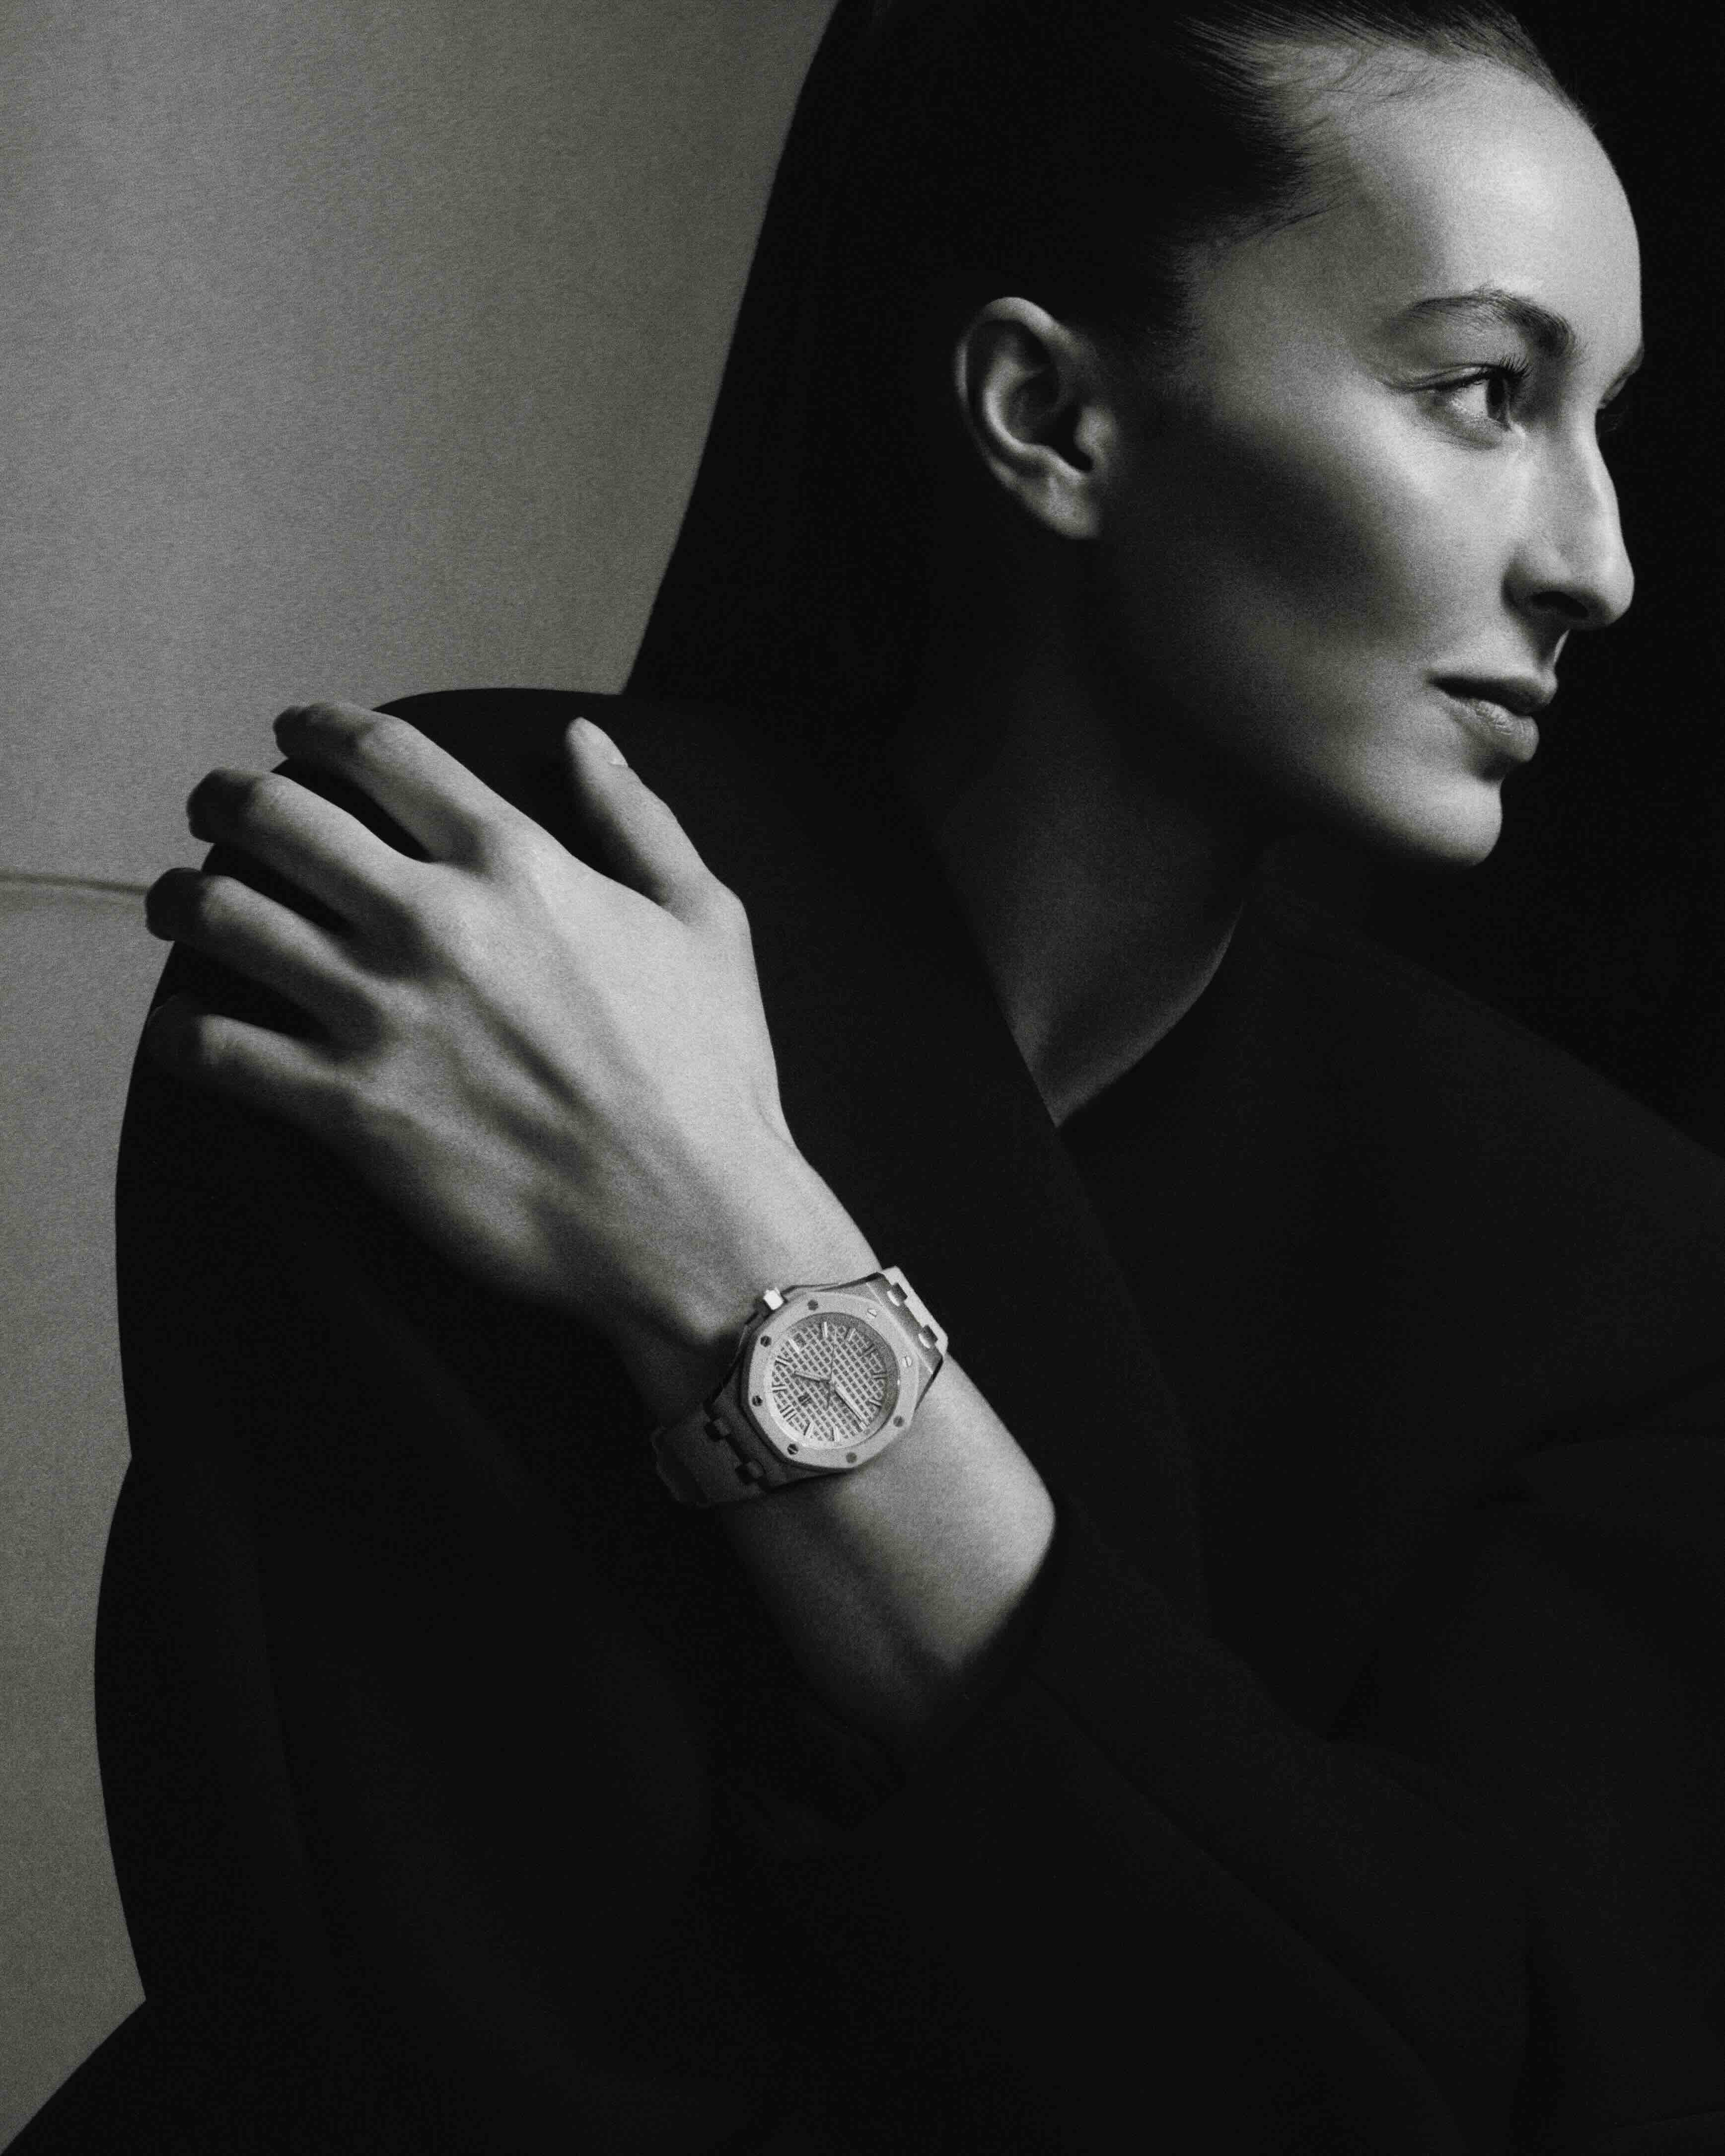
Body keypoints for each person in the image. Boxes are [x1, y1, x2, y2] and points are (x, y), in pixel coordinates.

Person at [17, 1, 1724, 2150]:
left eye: (1603, 425)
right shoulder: (473, 906)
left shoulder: (1619, 1266)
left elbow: (1478, 2100)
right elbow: (451, 2043)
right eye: (1484, 393)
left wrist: (729, 1255)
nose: (1595, 563)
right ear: (1048, 414)